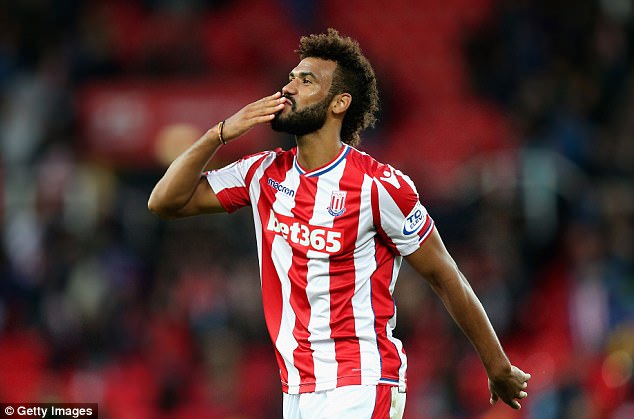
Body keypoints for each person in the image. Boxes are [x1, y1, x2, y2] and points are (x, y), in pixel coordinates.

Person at [148, 28, 530, 419]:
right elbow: (164, 202)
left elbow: (445, 275)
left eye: (306, 80)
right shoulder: (262, 173)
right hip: (296, 390)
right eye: (291, 78)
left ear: (339, 103)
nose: (288, 88)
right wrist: (219, 134)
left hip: (360, 384)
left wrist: (496, 365)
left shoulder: (378, 186)